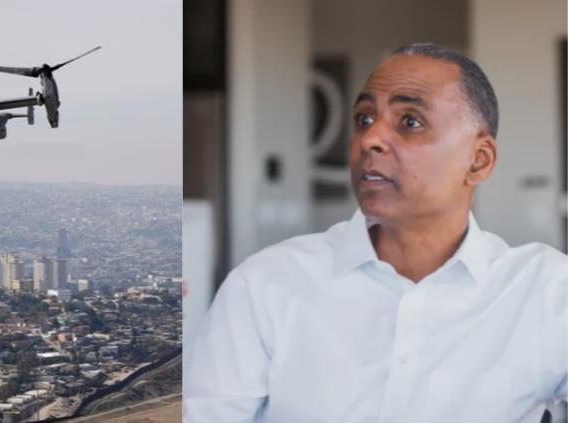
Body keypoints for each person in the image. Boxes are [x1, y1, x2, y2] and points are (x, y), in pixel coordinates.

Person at [183, 43, 567, 422]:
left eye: (410, 122)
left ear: (478, 161)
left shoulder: (546, 291)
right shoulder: (265, 285)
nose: (370, 140)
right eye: (364, 119)